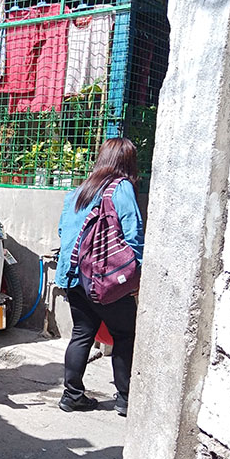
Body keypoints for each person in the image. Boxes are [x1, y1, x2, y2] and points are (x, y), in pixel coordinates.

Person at [55, 138, 144, 416]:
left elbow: (63, 232)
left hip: (73, 276)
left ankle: (72, 395)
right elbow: (133, 235)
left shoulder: (79, 190)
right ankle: (125, 398)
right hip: (105, 279)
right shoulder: (121, 188)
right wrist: (134, 277)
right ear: (127, 162)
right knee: (124, 334)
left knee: (81, 333)